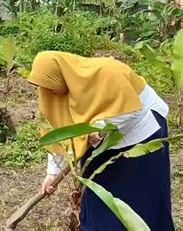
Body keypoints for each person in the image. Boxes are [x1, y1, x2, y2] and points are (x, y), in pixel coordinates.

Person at [28, 51, 173, 230]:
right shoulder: (54, 91)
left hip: (140, 130)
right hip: (99, 140)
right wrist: (52, 173)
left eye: (49, 83)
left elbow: (132, 109)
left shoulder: (107, 72)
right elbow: (58, 133)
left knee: (139, 196)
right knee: (98, 194)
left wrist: (100, 127)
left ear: (61, 73)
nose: (48, 91)